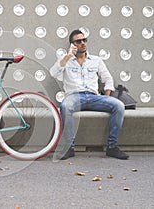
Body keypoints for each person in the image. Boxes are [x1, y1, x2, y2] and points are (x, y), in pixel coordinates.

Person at [50, 29, 129, 160]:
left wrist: (107, 96)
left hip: (94, 97)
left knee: (119, 106)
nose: (82, 43)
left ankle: (112, 147)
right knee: (65, 106)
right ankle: (69, 147)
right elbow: (53, 73)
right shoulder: (65, 60)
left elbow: (108, 79)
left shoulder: (96, 60)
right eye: (78, 41)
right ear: (72, 44)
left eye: (84, 40)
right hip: (74, 96)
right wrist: (68, 56)